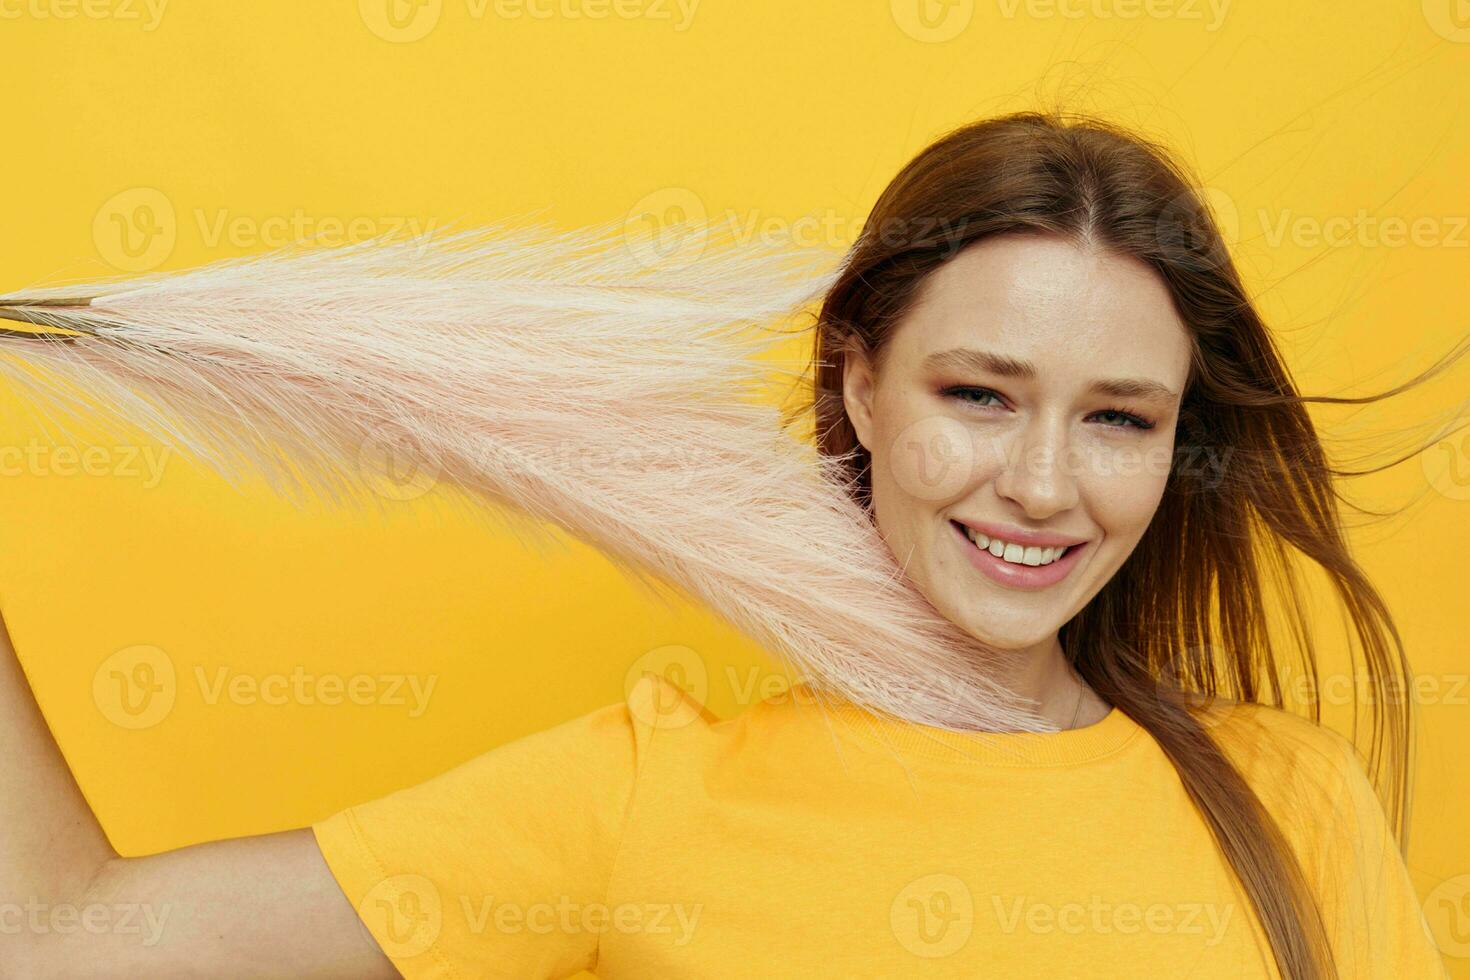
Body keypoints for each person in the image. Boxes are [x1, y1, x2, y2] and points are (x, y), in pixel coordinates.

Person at [1, 110, 1458, 979]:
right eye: (976, 395)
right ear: (858, 385)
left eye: (1117, 420)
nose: (1038, 484)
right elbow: (60, 939)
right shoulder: (646, 791)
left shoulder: (1290, 801)